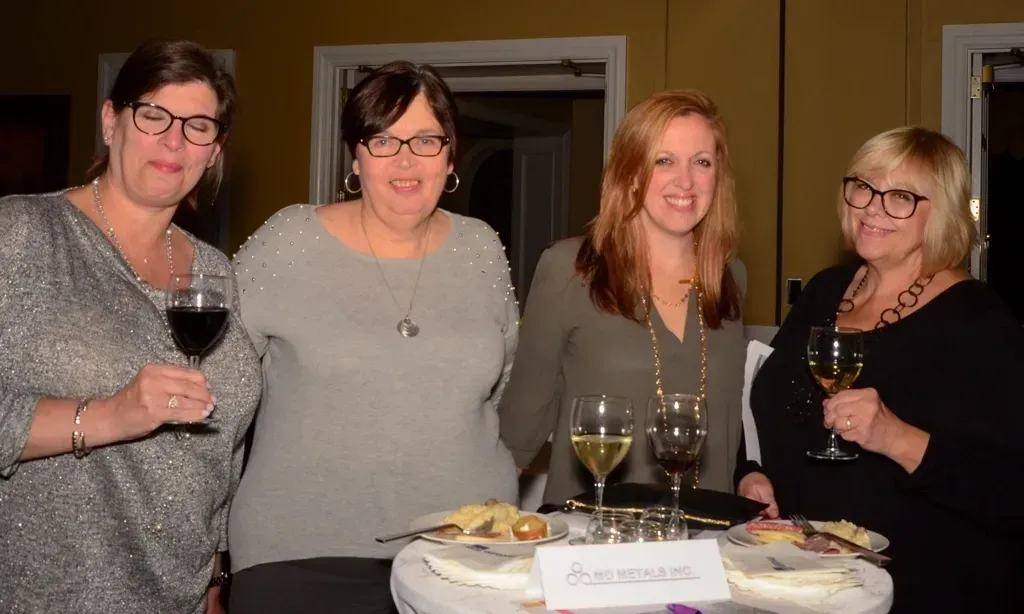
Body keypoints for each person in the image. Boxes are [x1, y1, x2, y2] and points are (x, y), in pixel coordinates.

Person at [227, 61, 519, 613]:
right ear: (355, 157)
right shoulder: (289, 240)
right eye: (383, 140)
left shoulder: (481, 247)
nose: (405, 161)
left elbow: (498, 384)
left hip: (468, 553)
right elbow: (216, 397)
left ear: (450, 155)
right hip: (302, 558)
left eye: (426, 140)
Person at [0, 40, 260, 614]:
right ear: (110, 121)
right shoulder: (20, 233)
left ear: (214, 151)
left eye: (198, 127)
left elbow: (223, 448)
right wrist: (110, 416)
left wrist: (215, 573)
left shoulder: (213, 269)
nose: (174, 141)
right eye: (153, 115)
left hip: (182, 595)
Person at [736, 126, 1024, 613]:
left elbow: (1008, 491)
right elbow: (762, 403)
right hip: (799, 579)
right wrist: (752, 473)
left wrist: (896, 437)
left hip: (916, 590)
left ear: (942, 213)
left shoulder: (978, 322)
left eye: (901, 197)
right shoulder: (824, 291)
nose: (872, 207)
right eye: (864, 187)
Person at [498, 90, 748, 507]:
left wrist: (751, 476)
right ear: (631, 173)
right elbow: (519, 429)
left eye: (702, 162)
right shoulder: (570, 269)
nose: (685, 181)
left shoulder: (731, 277)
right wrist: (482, 522)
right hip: (593, 534)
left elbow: (725, 429)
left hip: (704, 534)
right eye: (663, 161)